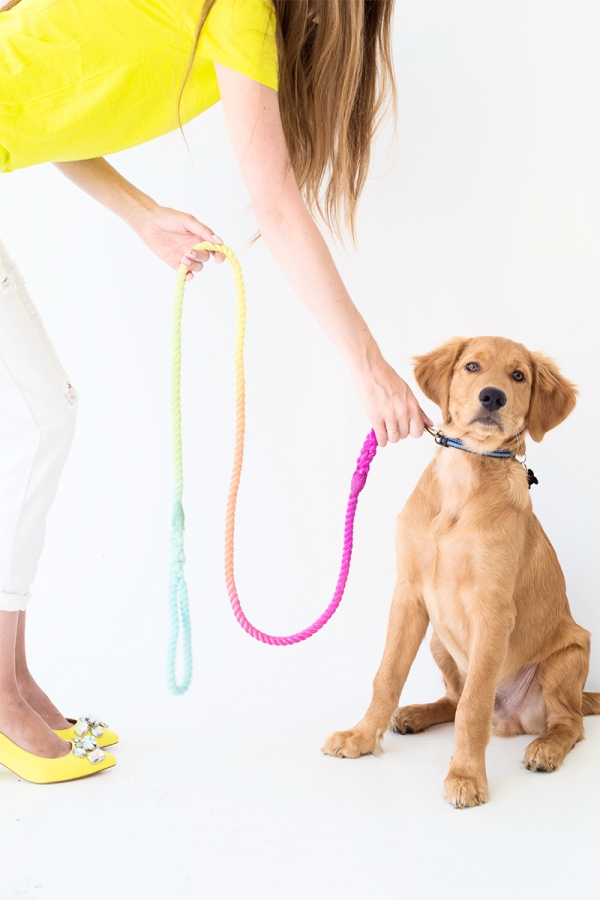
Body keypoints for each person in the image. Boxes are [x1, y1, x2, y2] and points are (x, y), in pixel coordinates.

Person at [0, 0, 431, 781]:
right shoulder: (238, 8)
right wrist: (369, 370)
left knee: (43, 417)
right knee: (39, 422)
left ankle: (11, 678)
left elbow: (43, 105)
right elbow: (276, 203)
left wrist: (140, 217)